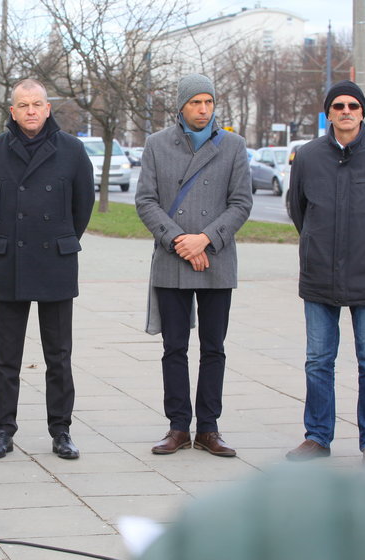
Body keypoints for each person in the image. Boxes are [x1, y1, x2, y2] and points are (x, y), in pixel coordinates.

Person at [286, 80, 365, 464]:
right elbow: (298, 210)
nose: (345, 111)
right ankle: (317, 438)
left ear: (362, 112)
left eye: (353, 105)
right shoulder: (307, 156)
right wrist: (316, 246)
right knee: (318, 360)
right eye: (338, 105)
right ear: (329, 112)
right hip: (320, 274)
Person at [0, 78, 94, 460]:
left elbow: (83, 205)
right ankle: (3, 432)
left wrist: (61, 237)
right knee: (5, 357)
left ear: (47, 108)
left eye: (37, 104)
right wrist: (6, 238)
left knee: (58, 354)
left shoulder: (72, 151)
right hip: (10, 262)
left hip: (55, 262)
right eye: (22, 105)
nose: (30, 110)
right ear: (12, 111)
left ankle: (61, 430)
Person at [135, 74, 252, 457]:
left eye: (209, 102)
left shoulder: (233, 145)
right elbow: (146, 201)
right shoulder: (156, 145)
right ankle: (177, 426)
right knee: (174, 348)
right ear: (181, 106)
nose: (204, 109)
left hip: (216, 258)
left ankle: (209, 428)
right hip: (173, 258)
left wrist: (205, 239)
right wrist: (179, 240)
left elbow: (241, 203)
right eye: (196, 102)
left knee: (214, 347)